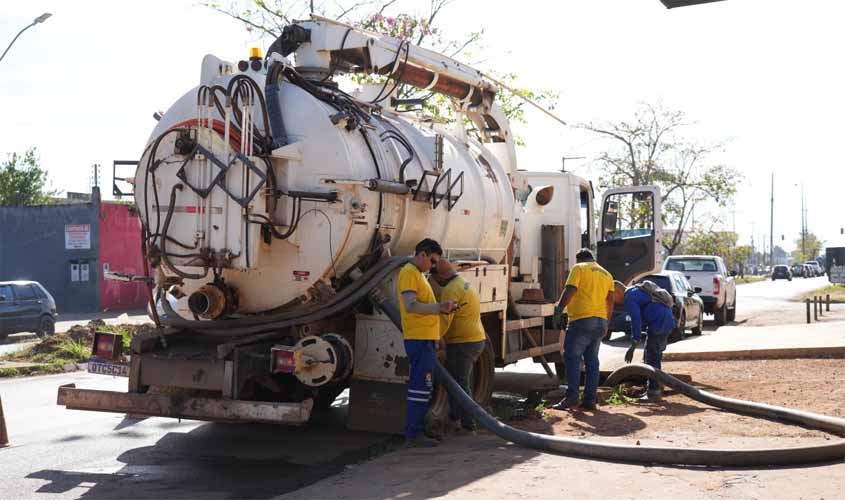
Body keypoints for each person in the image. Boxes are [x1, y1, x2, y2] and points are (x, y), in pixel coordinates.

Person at [397, 238, 456, 447]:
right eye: (432, 260)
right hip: (419, 339)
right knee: (420, 388)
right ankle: (414, 435)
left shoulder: (418, 275)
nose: (433, 266)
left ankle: (416, 433)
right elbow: (411, 306)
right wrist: (440, 307)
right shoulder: (409, 274)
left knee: (423, 387)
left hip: (425, 339)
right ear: (422, 254)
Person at [553, 248, 615, 411]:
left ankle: (572, 398)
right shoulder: (607, 274)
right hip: (600, 322)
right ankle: (590, 400)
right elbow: (610, 301)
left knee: (572, 358)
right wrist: (606, 323)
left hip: (581, 320)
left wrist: (559, 309)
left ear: (579, 259)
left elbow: (570, 289)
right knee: (592, 361)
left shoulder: (579, 268)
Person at [432, 258, 486, 435]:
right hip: (475, 339)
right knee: (455, 382)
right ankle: (454, 418)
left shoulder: (449, 290)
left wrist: (435, 336)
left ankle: (468, 425)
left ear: (439, 277)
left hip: (463, 342)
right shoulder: (463, 282)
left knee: (460, 384)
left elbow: (445, 318)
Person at [622, 280, 676, 400]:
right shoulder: (638, 290)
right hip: (667, 321)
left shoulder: (630, 297)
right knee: (654, 356)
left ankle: (654, 391)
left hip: (658, 324)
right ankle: (657, 385)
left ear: (617, 291)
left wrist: (634, 343)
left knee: (652, 359)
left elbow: (636, 320)